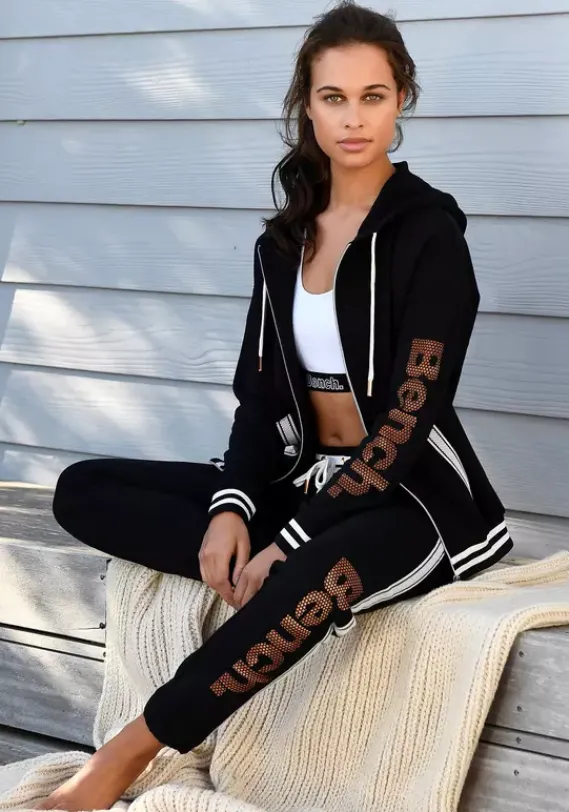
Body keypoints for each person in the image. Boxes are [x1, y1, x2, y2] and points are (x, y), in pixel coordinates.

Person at [38, 2, 514, 809]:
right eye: (333, 97)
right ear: (307, 105)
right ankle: (274, 569)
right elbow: (258, 402)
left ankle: (126, 752)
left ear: (400, 99)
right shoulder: (284, 241)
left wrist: (290, 539)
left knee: (310, 573)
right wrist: (232, 507)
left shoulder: (429, 237)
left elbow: (406, 423)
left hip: (410, 500)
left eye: (372, 96)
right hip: (302, 482)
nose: (353, 118)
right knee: (83, 489)